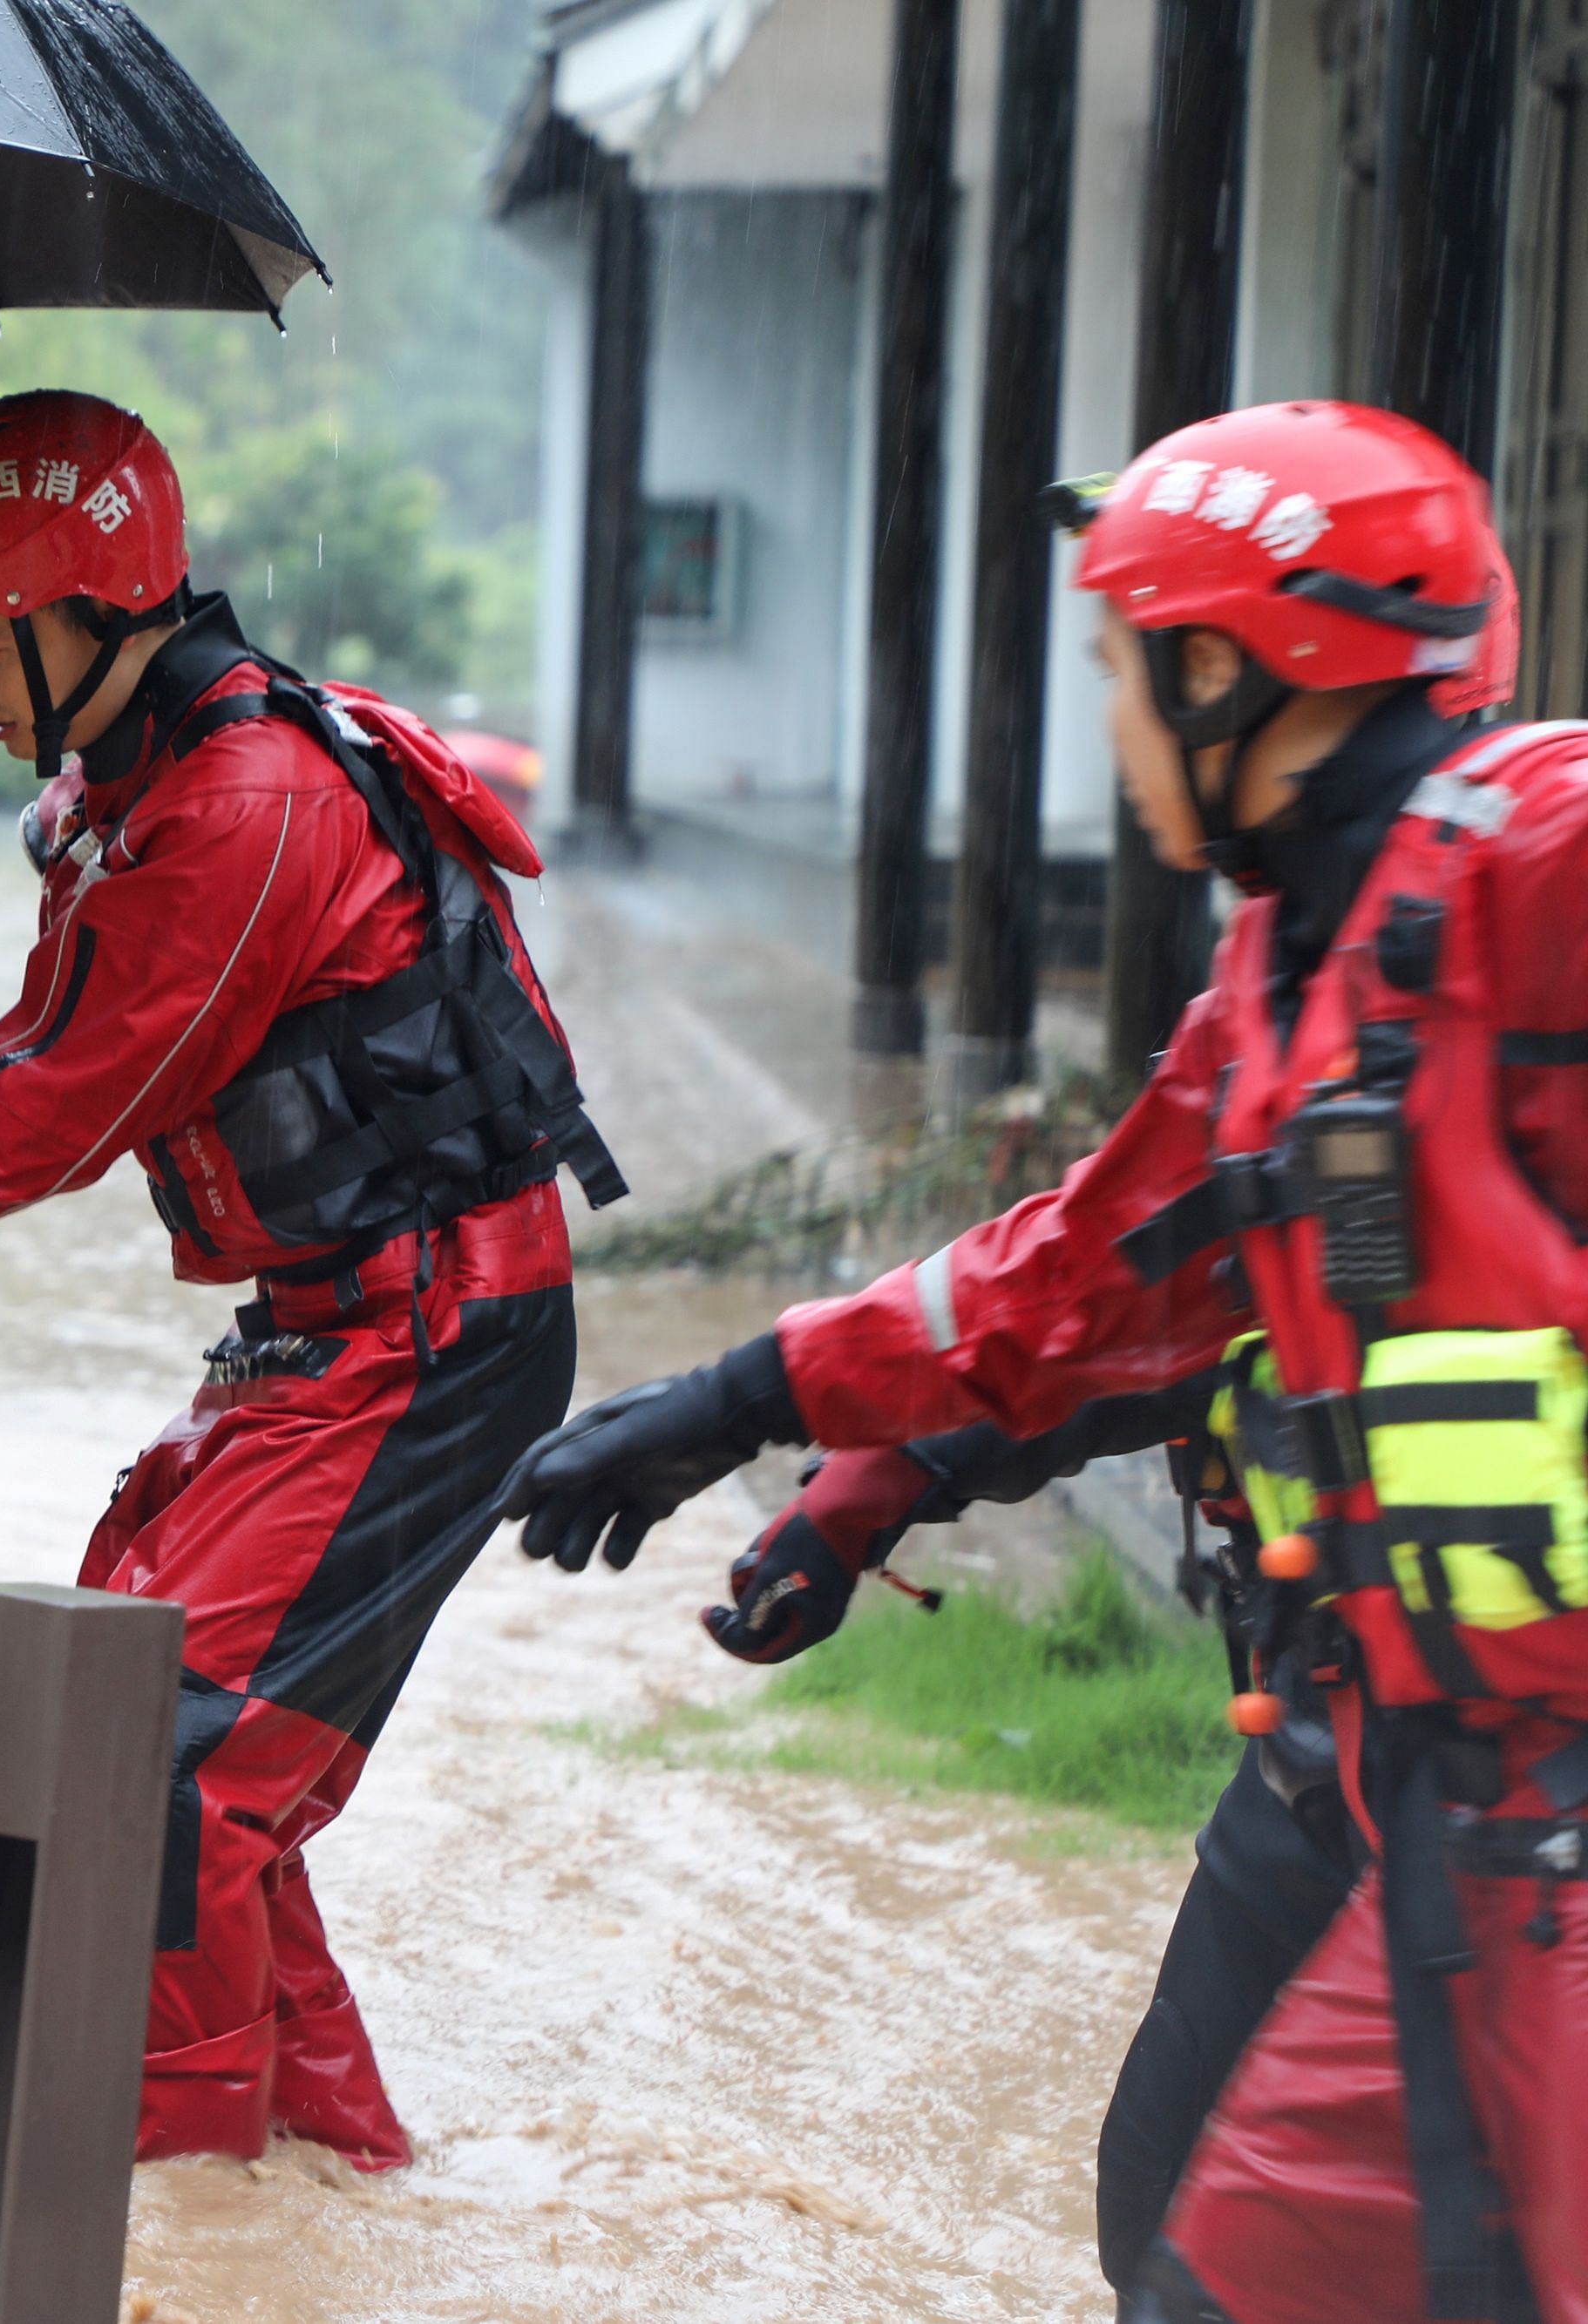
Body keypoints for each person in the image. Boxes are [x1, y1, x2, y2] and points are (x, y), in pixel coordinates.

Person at [497, 400, 1588, 2324]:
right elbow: (1064, 1286)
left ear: (1223, 665)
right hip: (1415, 1772)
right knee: (1176, 2254)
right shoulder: (1277, 987)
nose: (1104, 721)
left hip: (1528, 1803)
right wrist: (746, 1418)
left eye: (1116, 666)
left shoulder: (1531, 847)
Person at [0, 390, 628, 2167]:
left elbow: (51, 1118)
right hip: (329, 1327)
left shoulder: (239, 804)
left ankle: (141, 2203)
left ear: (75, 607)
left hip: (426, 1334)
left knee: (154, 1775)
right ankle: (320, 2177)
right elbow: (19, 1061)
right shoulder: (137, 785)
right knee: (161, 1757)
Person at [721, 1394, 1362, 2305]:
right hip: (1309, 1783)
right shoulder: (1266, 1262)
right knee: (1161, 2215)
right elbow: (1108, 1321)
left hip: (1527, 1838)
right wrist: (859, 1482)